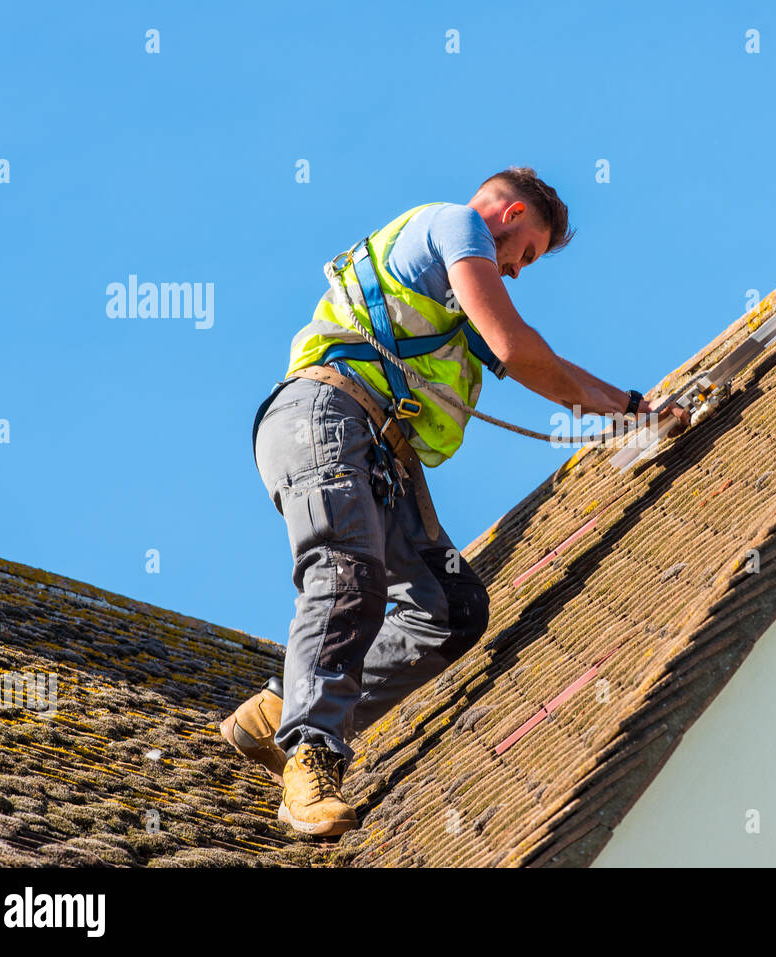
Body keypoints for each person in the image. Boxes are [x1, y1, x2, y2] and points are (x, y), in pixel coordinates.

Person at [220, 167, 688, 836]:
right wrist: (629, 408)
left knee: (451, 610)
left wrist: (631, 409)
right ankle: (312, 757)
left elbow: (544, 367)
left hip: (381, 453)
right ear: (510, 212)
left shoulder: (453, 298)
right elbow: (517, 349)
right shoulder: (456, 224)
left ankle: (276, 709)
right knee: (348, 572)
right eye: (524, 253)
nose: (518, 271)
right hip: (324, 416)